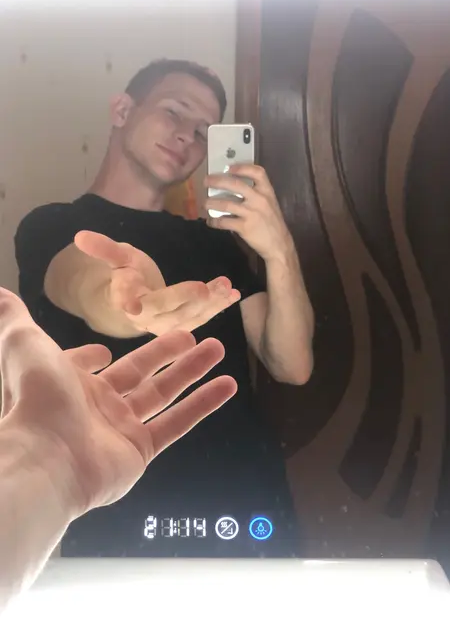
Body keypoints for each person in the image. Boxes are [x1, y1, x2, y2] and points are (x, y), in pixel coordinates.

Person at [14, 59, 314, 558]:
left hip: (246, 501)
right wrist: (127, 303)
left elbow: (293, 364)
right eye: (175, 111)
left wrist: (278, 249)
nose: (187, 136)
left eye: (203, 130)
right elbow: (80, 279)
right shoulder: (51, 225)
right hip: (118, 505)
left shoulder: (214, 244)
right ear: (122, 110)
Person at [0, 287, 237, 612]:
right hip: (117, 514)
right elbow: (74, 281)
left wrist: (45, 455)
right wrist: (48, 453)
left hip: (224, 461)